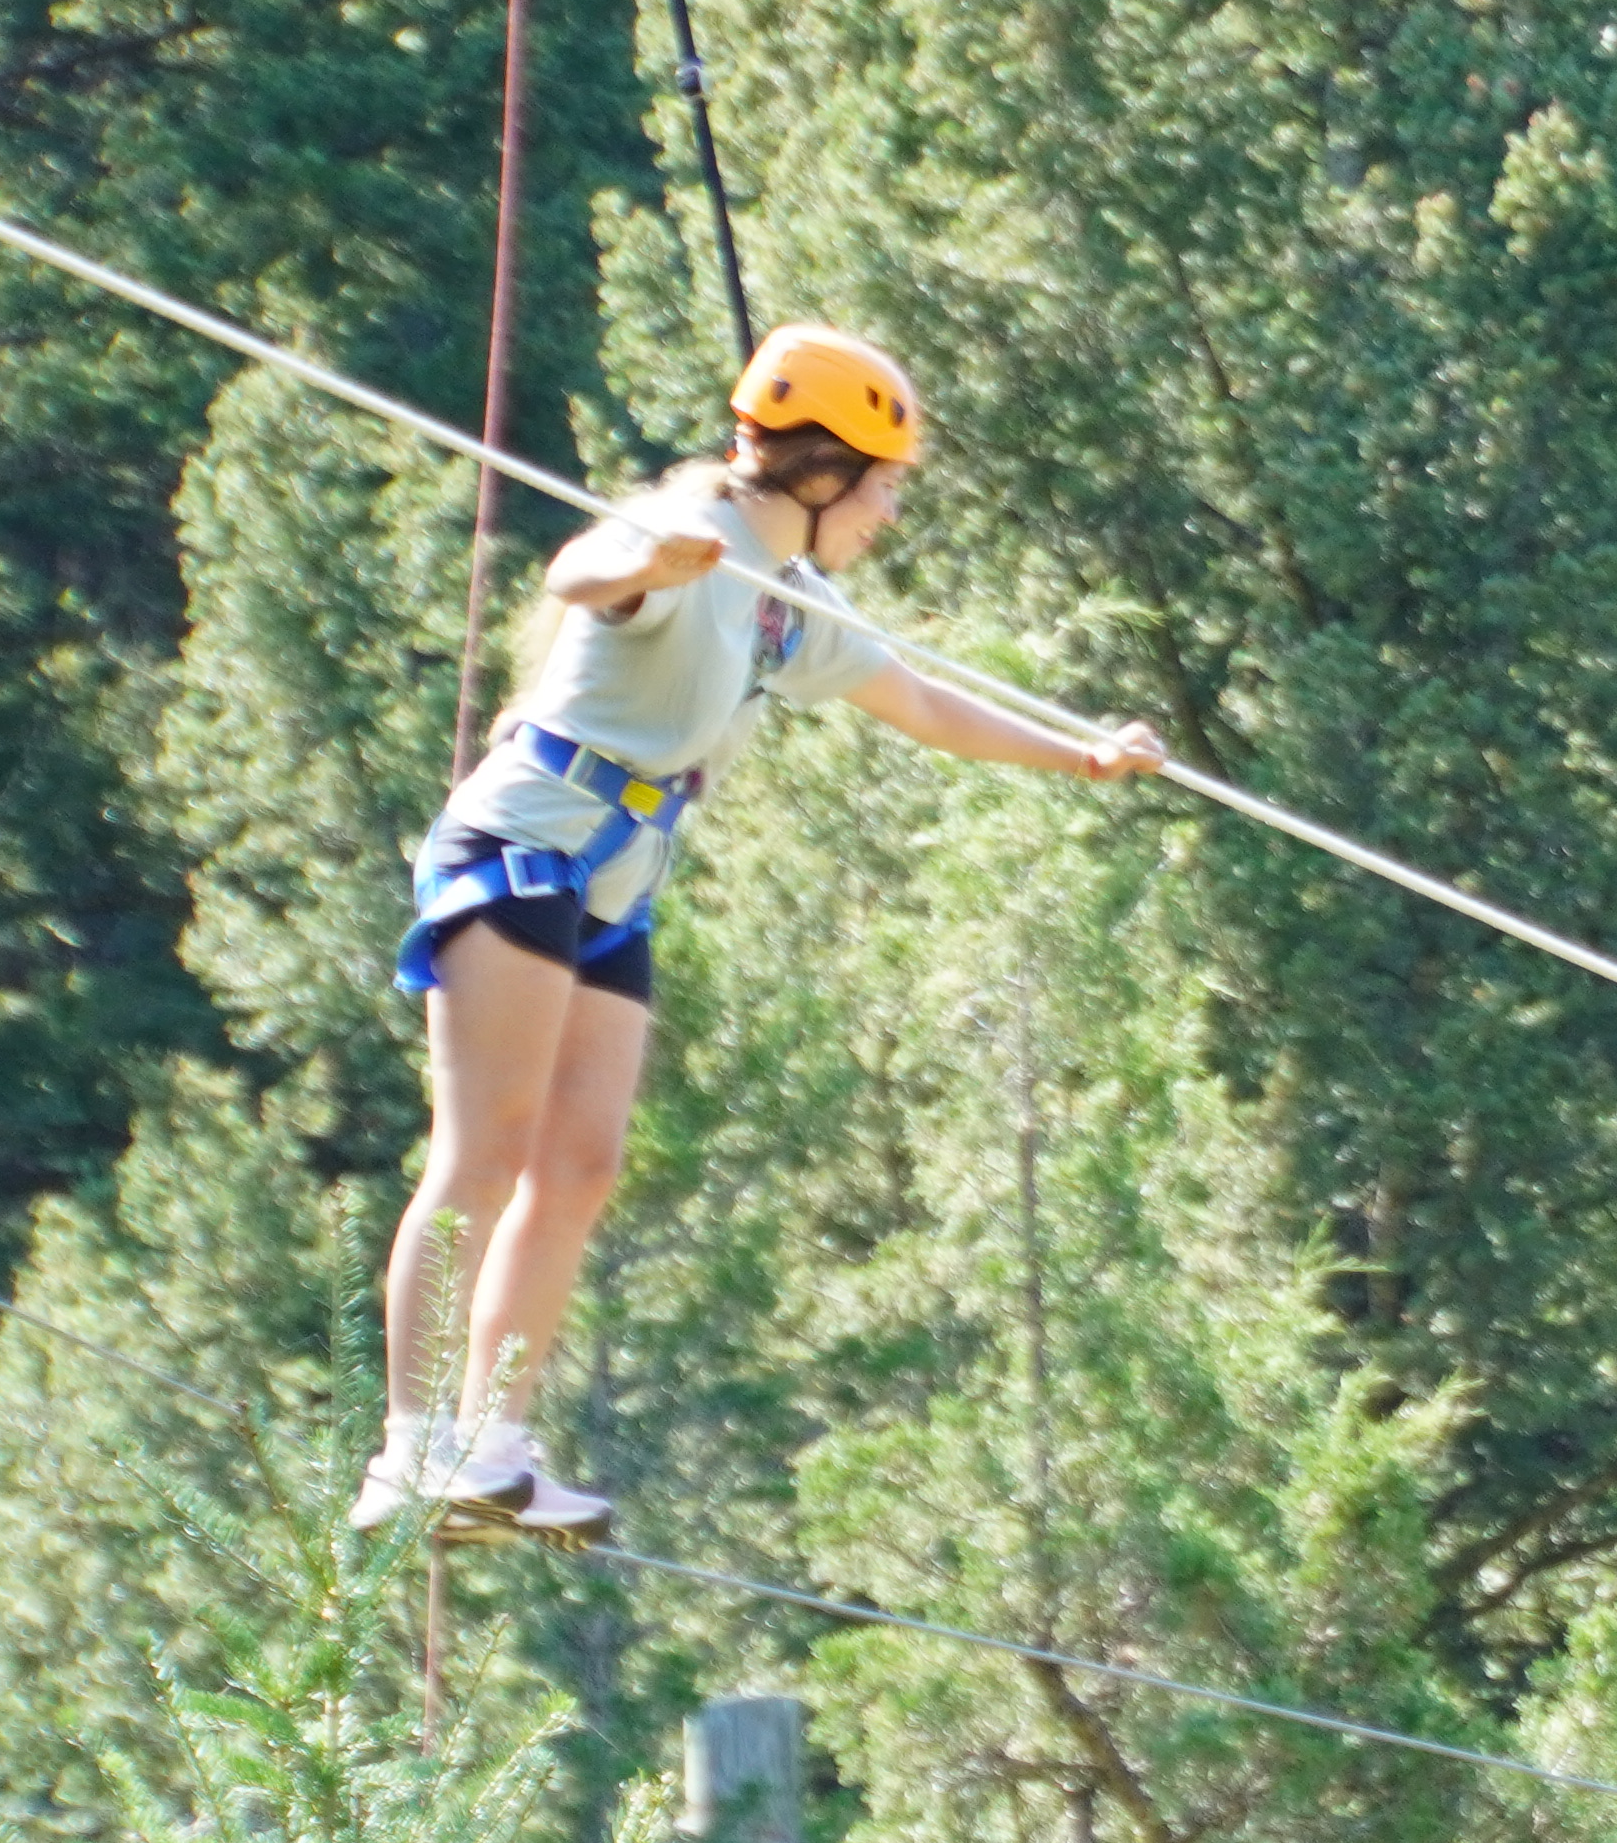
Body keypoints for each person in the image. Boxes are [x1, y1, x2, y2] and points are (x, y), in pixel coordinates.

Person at [352, 325, 1164, 1543]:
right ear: (823, 471)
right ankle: (412, 1455)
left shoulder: (796, 606)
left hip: (616, 886)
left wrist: (1084, 756)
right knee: (488, 1148)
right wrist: (656, 557)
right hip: (524, 845)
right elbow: (582, 572)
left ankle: (496, 1448)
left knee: (579, 1165)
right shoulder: (685, 535)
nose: (891, 512)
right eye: (884, 486)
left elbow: (926, 705)